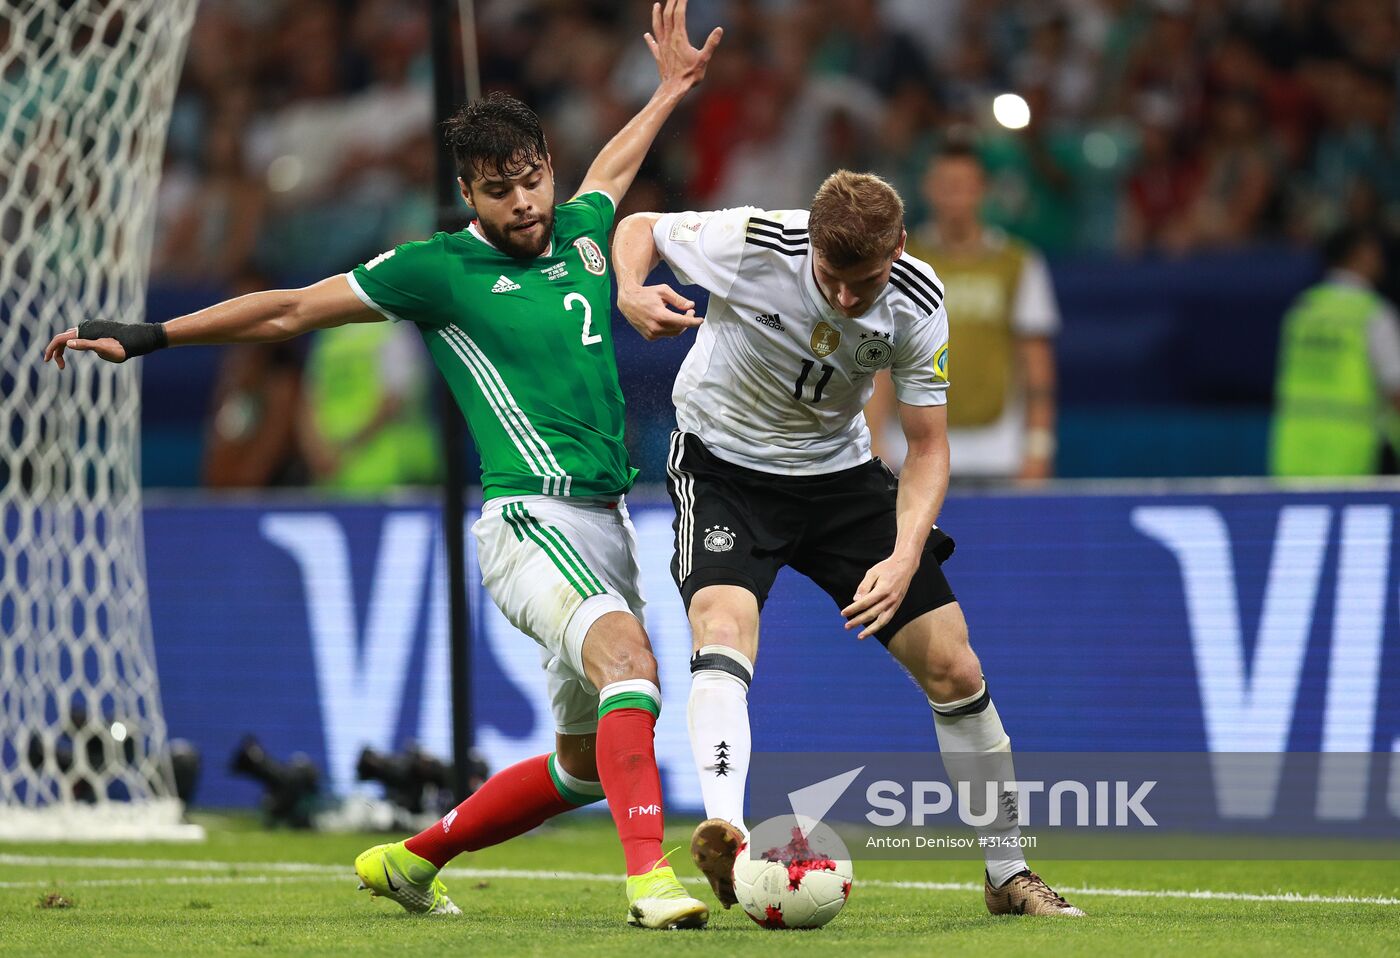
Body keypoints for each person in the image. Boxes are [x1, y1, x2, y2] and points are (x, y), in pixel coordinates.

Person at [43, 0, 722, 930]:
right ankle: (652, 885)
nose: (523, 202)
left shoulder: (582, 230)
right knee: (633, 668)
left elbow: (612, 169)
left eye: (533, 179)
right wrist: (153, 334)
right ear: (466, 192)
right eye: (499, 189)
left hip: (604, 523)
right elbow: (288, 309)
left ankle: (407, 859)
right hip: (531, 519)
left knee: (577, 764)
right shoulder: (434, 270)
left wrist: (670, 91)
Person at [611, 170, 1085, 917]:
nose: (842, 298)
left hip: (840, 478)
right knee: (723, 628)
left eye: (861, 282)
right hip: (725, 467)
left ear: (897, 248)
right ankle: (728, 833)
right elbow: (640, 226)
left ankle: (1007, 874)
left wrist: (903, 556)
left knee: (955, 666)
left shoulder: (920, 301)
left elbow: (928, 448)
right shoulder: (757, 242)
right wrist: (631, 291)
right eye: (829, 279)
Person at [868, 142, 1060, 484]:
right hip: (912, 452)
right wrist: (874, 439)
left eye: (964, 186)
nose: (955, 196)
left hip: (998, 453)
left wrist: (1038, 446)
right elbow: (879, 356)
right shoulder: (899, 264)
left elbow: (1036, 365)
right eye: (945, 185)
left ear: (982, 189)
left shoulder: (1019, 264)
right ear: (927, 188)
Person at [1270, 225, 1400, 476]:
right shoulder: (1373, 314)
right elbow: (1395, 388)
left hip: (1295, 450)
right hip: (1353, 456)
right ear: (1359, 255)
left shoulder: (1302, 309)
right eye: (1374, 250)